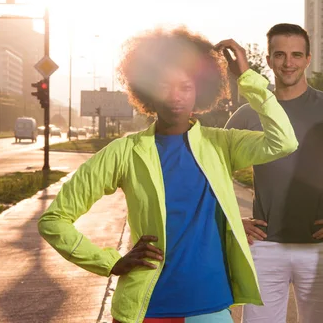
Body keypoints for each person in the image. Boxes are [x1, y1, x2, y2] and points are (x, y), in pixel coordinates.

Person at [38, 27, 298, 323]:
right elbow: (53, 220)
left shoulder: (221, 143)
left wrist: (247, 78)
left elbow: (284, 141)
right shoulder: (124, 152)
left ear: (199, 91)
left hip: (211, 306)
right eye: (164, 85)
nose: (175, 96)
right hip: (147, 309)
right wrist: (109, 262)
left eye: (185, 87)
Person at [225, 23, 323, 323]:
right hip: (264, 247)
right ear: (269, 58)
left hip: (319, 247)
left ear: (308, 58)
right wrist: (233, 220)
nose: (288, 63)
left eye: (296, 55)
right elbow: (211, 168)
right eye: (280, 54)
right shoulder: (251, 111)